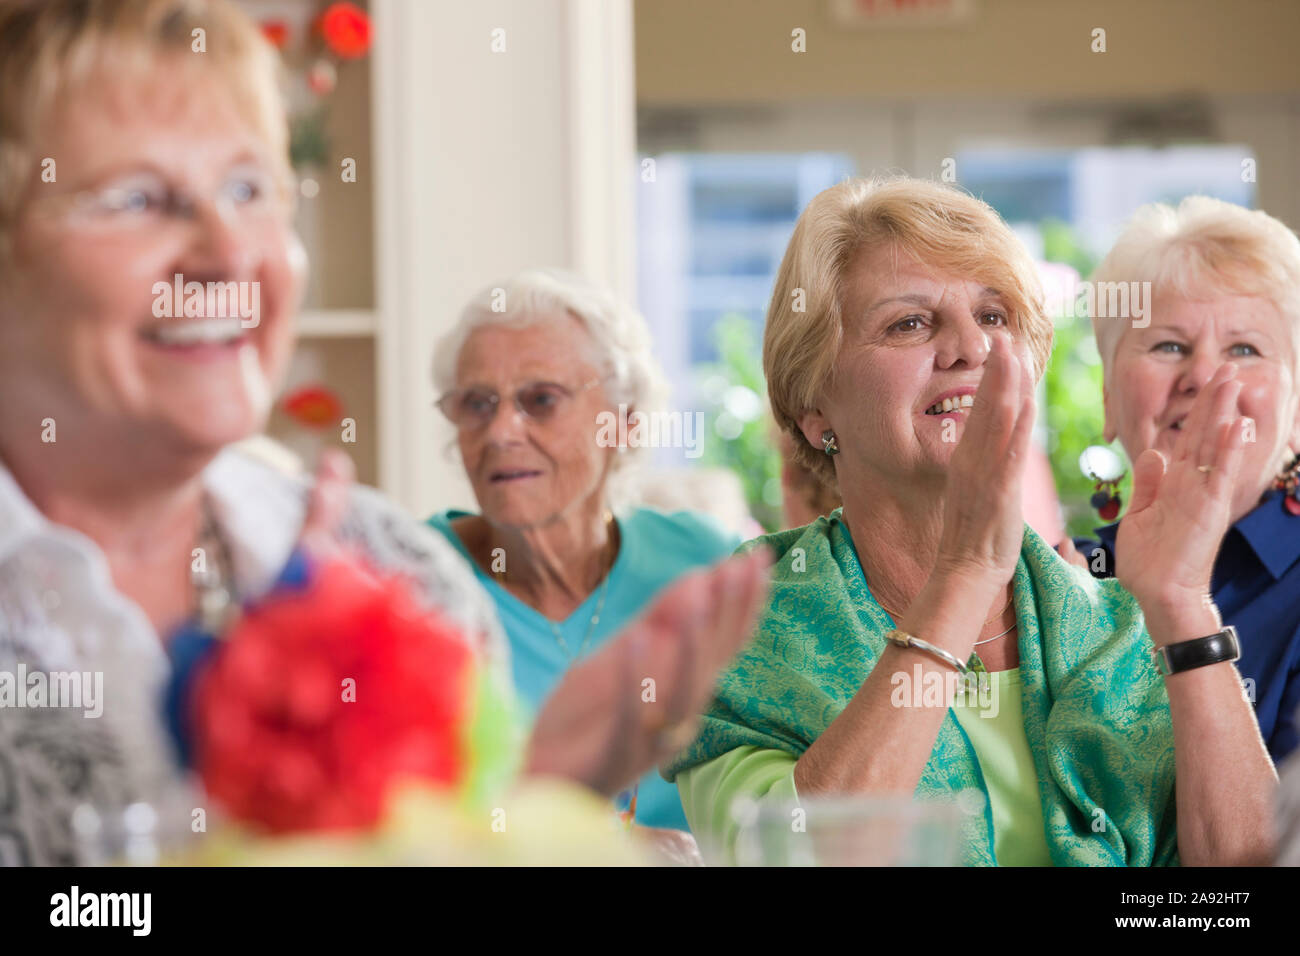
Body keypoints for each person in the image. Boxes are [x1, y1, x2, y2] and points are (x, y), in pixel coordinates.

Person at [0, 0, 767, 865]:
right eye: (137, 198)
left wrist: (536, 802)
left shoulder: (397, 573)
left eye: (249, 189)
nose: (226, 252)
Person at [664, 175, 1276, 866]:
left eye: (993, 317)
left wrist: (1182, 606)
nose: (970, 349)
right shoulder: (736, 625)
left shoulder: (1119, 625)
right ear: (815, 406)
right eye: (910, 323)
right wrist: (963, 574)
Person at [428, 269, 742, 831]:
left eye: (540, 400)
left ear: (622, 423)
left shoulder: (704, 564)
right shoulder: (412, 577)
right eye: (477, 403)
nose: (501, 431)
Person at [1062, 196, 1300, 762]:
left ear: (1297, 412)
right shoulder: (1060, 579)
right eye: (1169, 345)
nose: (1205, 378)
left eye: (1244, 348)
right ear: (1108, 401)